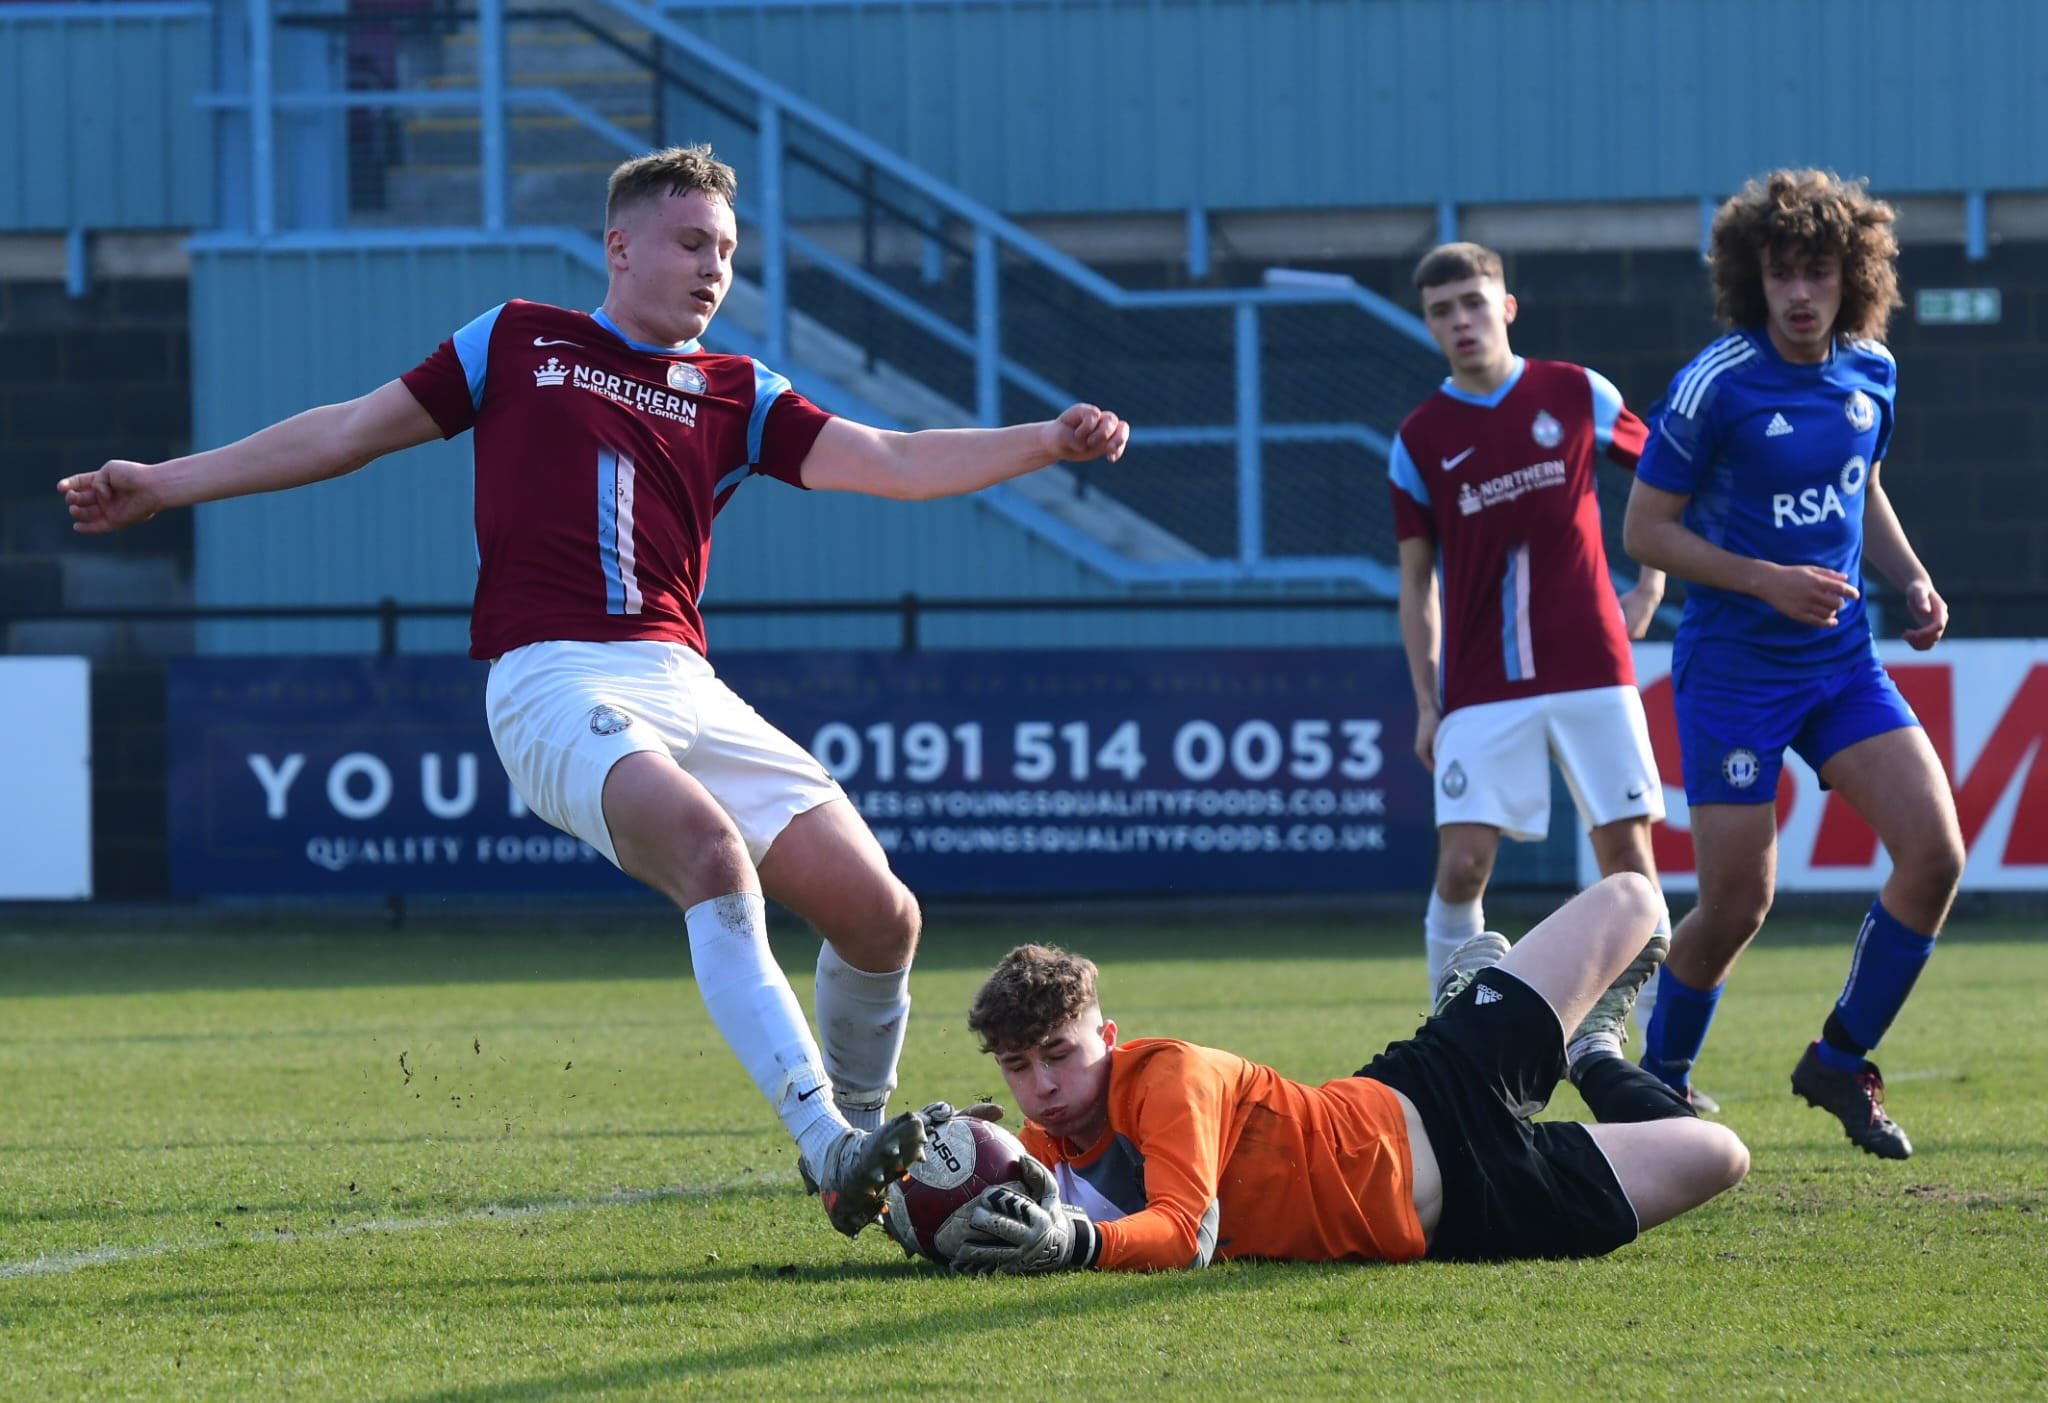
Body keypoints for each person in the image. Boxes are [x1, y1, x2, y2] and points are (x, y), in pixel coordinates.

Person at [55, 143, 1131, 1235]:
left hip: (684, 678)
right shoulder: (518, 339)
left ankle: (851, 1146)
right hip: (550, 674)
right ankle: (827, 1138)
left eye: (725, 248)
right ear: (618, 247)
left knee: (880, 913)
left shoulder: (738, 391)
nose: (713, 267)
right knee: (710, 851)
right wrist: (163, 483)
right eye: (689, 242)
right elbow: (342, 433)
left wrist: (1044, 440)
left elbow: (895, 462)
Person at [1623, 169, 1965, 1159]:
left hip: (1839, 663)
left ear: (1850, 277)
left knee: (1935, 854)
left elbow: (1858, 487)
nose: (1800, 293)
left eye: (1817, 272)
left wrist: (1908, 575)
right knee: (1737, 901)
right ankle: (1659, 1077)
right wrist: (1766, 580)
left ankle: (1838, 1056)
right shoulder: (1714, 381)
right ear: (1753, 279)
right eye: (1782, 275)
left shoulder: (1869, 371)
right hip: (1731, 667)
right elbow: (1644, 529)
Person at [942, 875, 1748, 1273]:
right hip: (1473, 1219)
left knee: (1636, 898)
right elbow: (962, 1210)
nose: (1042, 1084)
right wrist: (878, 1183)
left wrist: (1076, 1243)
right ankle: (1593, 1055)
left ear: (1106, 1036)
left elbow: (1187, 1232)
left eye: (1060, 1053)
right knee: (1721, 1154)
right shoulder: (1042, 1146)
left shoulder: (1166, 1075)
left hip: (1431, 1090)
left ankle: (1509, 1019)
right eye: (1019, 1066)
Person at [1388, 240, 1677, 1090]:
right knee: (1463, 864)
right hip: (1482, 687)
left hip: (1594, 666)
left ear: (1506, 305)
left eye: (1474, 302)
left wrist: (1652, 578)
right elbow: (1416, 586)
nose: (1461, 321)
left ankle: (1659, 1057)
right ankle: (1456, 1051)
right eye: (1444, 310)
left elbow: (1666, 475)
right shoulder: (1419, 439)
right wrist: (1427, 700)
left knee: (1631, 865)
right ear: (1431, 323)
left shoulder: (1576, 391)